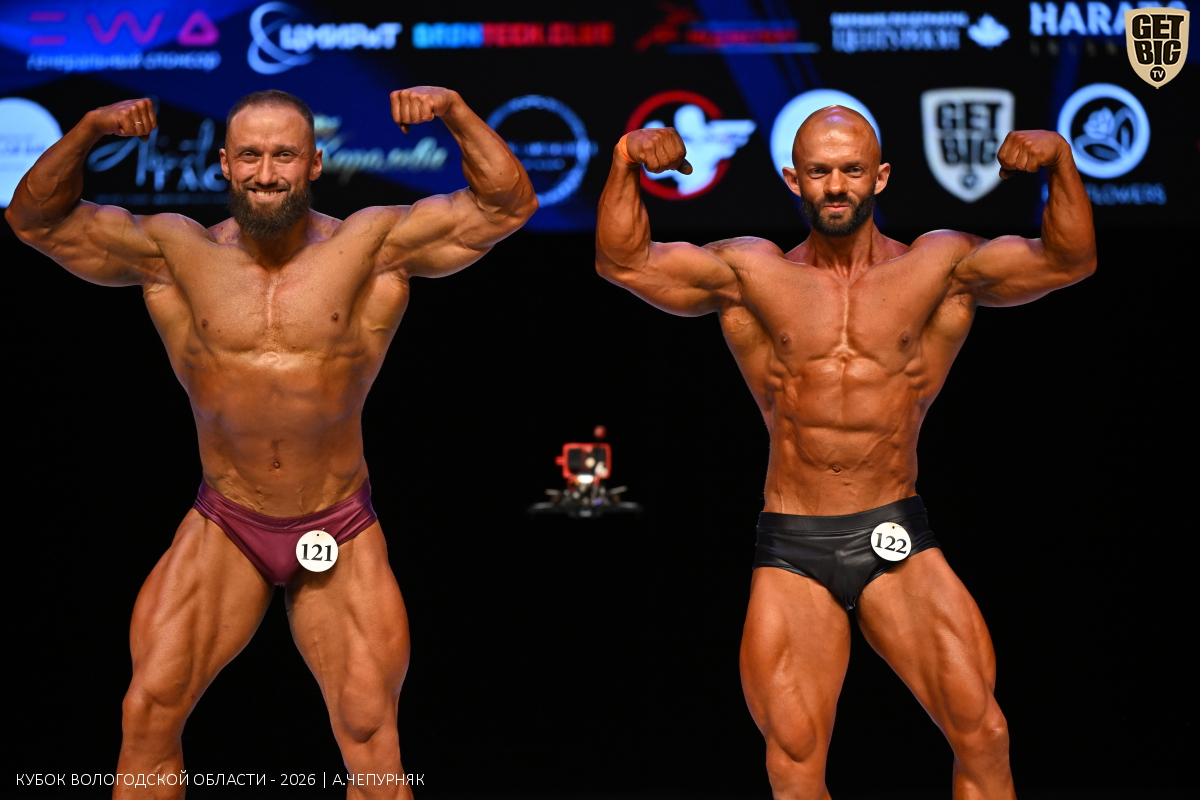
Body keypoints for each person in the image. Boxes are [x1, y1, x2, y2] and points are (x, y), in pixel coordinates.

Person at [6, 87, 536, 798]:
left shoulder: (370, 246)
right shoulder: (174, 252)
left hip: (338, 525)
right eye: (250, 156)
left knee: (372, 739)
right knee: (148, 714)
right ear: (224, 164)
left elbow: (506, 206)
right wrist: (90, 128)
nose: (265, 173)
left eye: (284, 155)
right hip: (227, 520)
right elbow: (34, 219)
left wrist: (456, 110)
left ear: (314, 163)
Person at [595, 108, 1095, 799]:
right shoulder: (751, 273)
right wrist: (625, 161)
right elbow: (622, 261)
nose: (836, 186)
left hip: (894, 530)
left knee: (983, 733)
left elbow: (1070, 259)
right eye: (821, 171)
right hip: (794, 544)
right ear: (792, 178)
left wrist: (1061, 161)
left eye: (852, 170)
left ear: (879, 176)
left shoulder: (939, 266)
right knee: (793, 763)